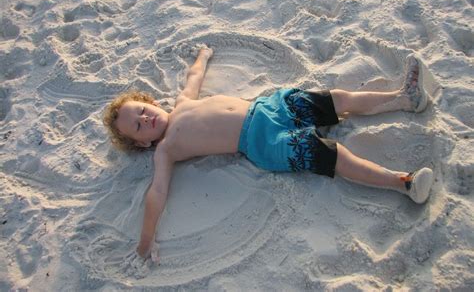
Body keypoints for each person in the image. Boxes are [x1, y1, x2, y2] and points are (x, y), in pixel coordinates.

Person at [103, 44, 434, 261]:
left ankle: (405, 98)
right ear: (142, 144)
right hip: (262, 144)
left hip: (272, 107)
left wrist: (202, 56)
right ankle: (403, 183)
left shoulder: (183, 103)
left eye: (142, 111)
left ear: (150, 103)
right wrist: (146, 242)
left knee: (337, 99)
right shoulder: (166, 151)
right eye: (139, 126)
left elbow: (194, 77)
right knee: (333, 156)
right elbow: (156, 192)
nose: (146, 119)